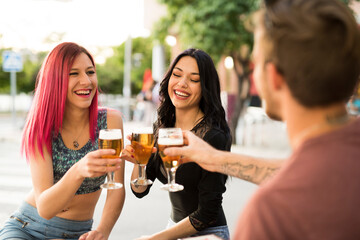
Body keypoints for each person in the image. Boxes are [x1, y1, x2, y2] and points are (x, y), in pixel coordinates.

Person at [165, 0, 360, 239]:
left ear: (274, 76)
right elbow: (312, 173)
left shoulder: (271, 213)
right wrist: (213, 158)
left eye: (256, 61)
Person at [0, 42, 125, 240]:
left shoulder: (110, 121)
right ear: (54, 81)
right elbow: (45, 208)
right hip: (28, 228)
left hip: (80, 234)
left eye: (90, 72)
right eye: (73, 74)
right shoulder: (41, 128)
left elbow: (116, 187)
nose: (86, 81)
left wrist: (103, 230)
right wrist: (78, 169)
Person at [122, 48, 232, 240]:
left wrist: (156, 238)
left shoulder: (214, 136)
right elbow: (140, 190)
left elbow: (206, 215)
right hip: (173, 228)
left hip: (208, 234)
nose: (182, 83)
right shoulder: (163, 127)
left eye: (194, 79)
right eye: (177, 74)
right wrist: (140, 162)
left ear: (206, 86)